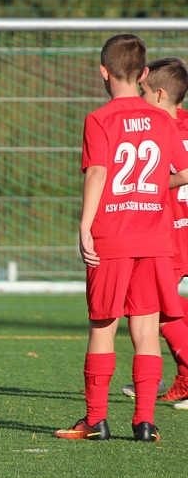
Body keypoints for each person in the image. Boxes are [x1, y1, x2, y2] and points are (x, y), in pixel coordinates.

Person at [56, 36, 188, 442]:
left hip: (112, 236)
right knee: (146, 328)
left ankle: (96, 421)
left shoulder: (99, 119)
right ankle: (145, 423)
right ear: (144, 73)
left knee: (103, 326)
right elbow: (183, 172)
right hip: (154, 237)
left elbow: (97, 172)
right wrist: (151, 189)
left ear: (103, 71)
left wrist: (84, 225)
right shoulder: (163, 119)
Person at [121, 57, 188, 406]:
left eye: (143, 91)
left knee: (155, 307)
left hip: (168, 231)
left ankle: (162, 373)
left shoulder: (156, 129)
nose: (139, 97)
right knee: (164, 305)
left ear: (159, 94)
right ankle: (168, 376)